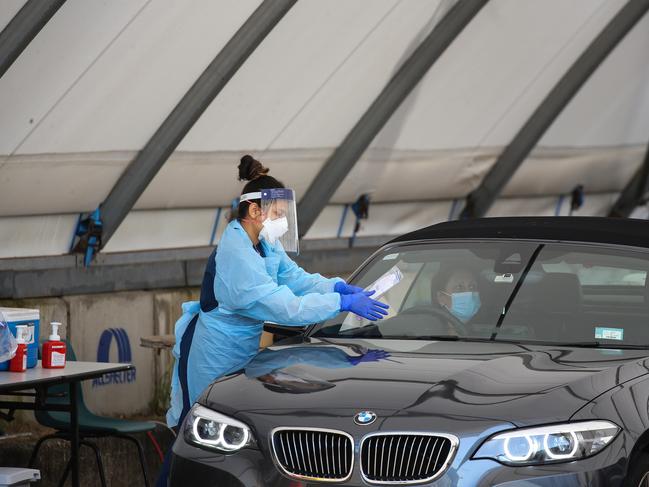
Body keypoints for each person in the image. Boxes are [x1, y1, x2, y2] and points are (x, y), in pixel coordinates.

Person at [157, 155, 389, 485]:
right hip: (212, 351)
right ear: (255, 212)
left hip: (241, 348)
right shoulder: (236, 251)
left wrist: (335, 285)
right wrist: (338, 302)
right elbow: (284, 307)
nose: (281, 222)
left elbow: (293, 277)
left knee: (233, 426)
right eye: (277, 215)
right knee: (194, 429)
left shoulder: (264, 243)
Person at [431, 266, 482, 331]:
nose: (469, 293)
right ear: (441, 297)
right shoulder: (426, 332)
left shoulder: (489, 332)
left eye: (472, 286)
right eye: (459, 288)